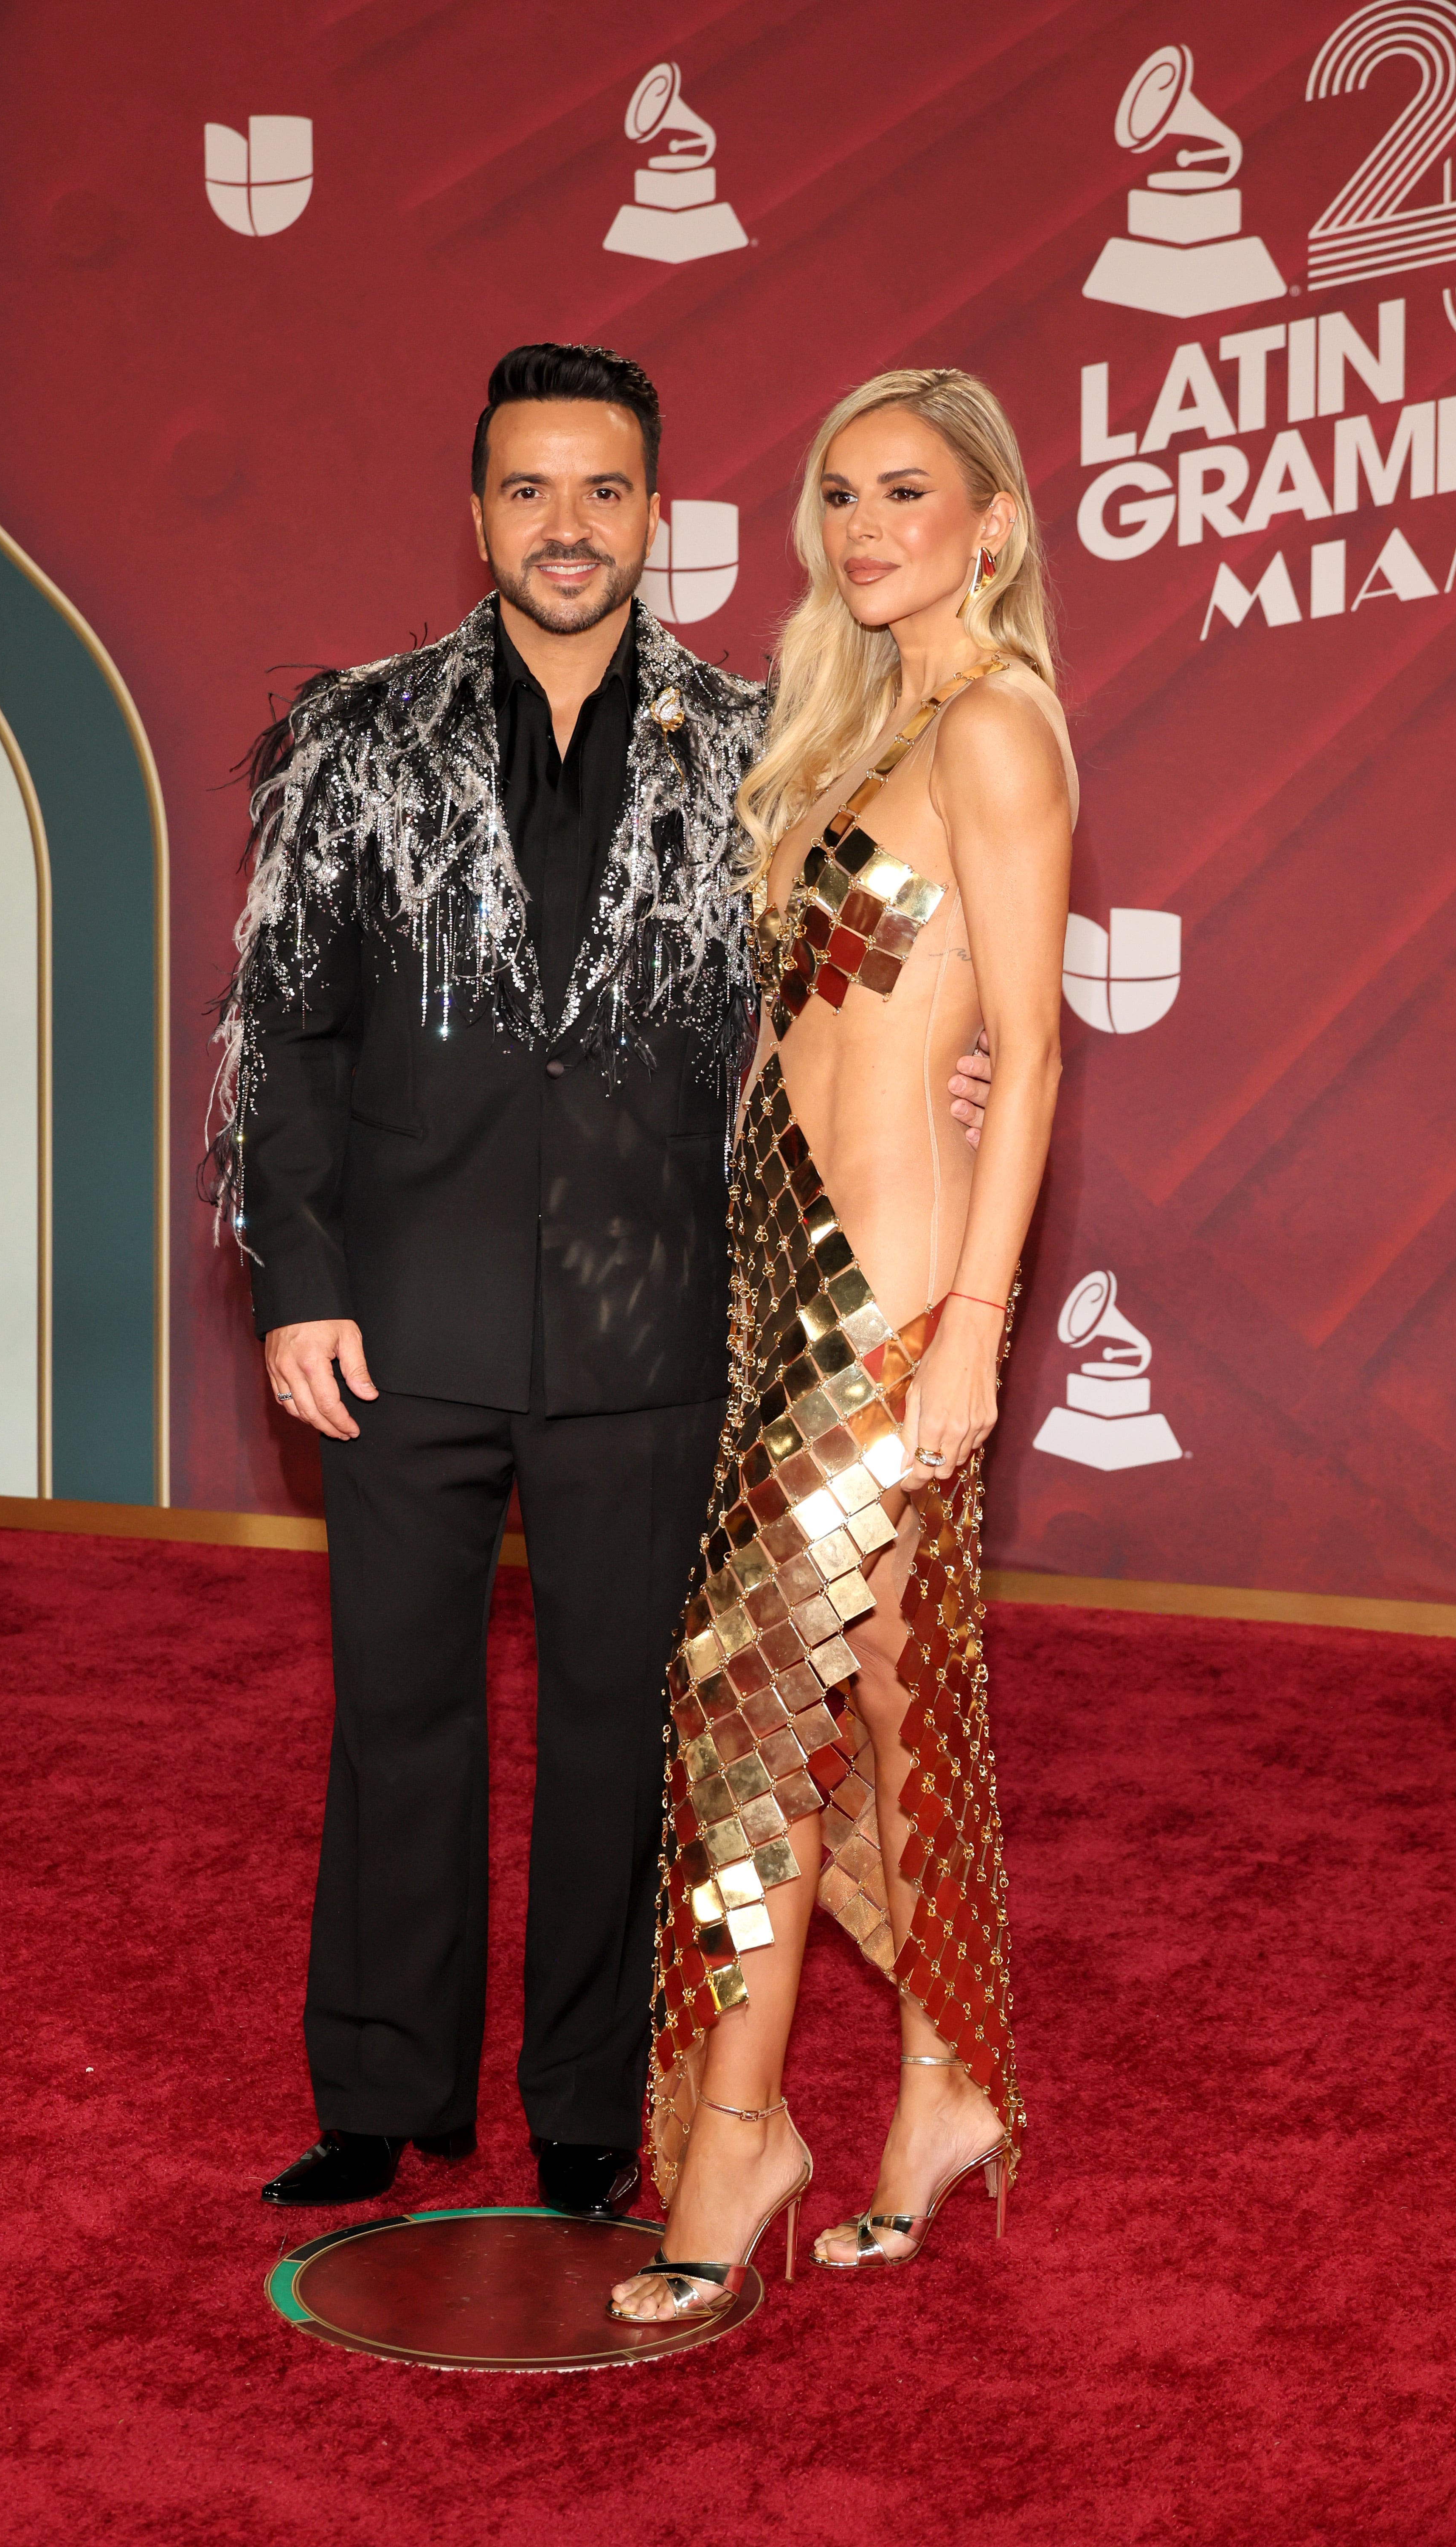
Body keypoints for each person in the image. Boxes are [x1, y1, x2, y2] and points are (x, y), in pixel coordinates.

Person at [210, 344, 999, 2220]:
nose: (567, 527)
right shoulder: (353, 735)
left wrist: (940, 1058)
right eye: (529, 490)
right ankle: (378, 2092)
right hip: (397, 1323)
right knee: (394, 1713)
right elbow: (281, 1034)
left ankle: (586, 2105)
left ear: (656, 512)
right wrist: (297, 1280)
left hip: (666, 1330)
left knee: (622, 1729)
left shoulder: (760, 747)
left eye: (604, 490)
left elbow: (848, 995)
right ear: (476, 513)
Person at [608, 367, 1074, 2321]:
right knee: (869, 1696)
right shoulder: (859, 720)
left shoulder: (992, 724)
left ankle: (740, 2134)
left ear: (990, 520)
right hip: (786, 1281)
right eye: (838, 494)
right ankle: (947, 2080)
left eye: (907, 490)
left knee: (739, 1724)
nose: (865, 524)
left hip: (885, 1307)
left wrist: (969, 1329)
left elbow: (1031, 1044)